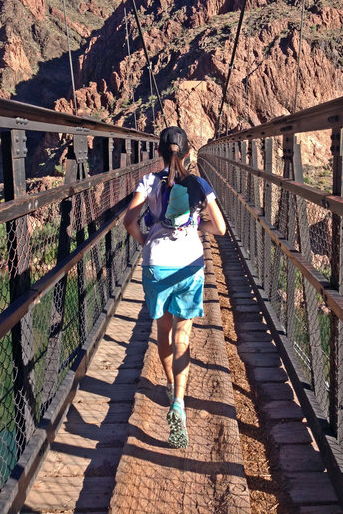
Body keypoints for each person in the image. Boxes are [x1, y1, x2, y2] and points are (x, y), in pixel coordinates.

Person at [123, 126, 226, 448]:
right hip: (190, 266)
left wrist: (145, 240)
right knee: (183, 336)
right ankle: (179, 403)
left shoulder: (150, 182)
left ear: (158, 153)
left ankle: (170, 386)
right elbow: (220, 228)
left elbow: (129, 220)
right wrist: (197, 226)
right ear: (187, 153)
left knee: (163, 333)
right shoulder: (199, 184)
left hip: (157, 264)